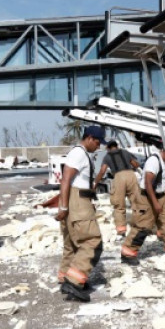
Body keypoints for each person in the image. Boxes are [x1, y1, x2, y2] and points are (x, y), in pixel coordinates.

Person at [55, 126, 106, 302]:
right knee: (92, 241)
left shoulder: (82, 154)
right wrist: (63, 207)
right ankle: (73, 282)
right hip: (78, 200)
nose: (98, 146)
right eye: (97, 142)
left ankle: (65, 276)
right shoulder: (78, 153)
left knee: (72, 242)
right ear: (89, 138)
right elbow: (66, 179)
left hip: (77, 199)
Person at [120, 141, 165, 264]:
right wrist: (155, 203)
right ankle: (128, 253)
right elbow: (148, 183)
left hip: (161, 195)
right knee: (143, 225)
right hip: (147, 197)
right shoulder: (154, 161)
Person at [92, 141, 140, 241]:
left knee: (119, 205)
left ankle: (121, 230)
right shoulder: (125, 152)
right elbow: (135, 164)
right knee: (136, 203)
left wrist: (95, 183)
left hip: (118, 177)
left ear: (108, 148)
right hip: (131, 175)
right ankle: (139, 226)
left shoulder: (107, 156)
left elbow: (102, 171)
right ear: (117, 146)